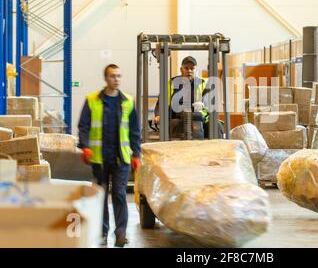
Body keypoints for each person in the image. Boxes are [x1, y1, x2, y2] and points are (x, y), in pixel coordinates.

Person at [78, 64, 141, 247]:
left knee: (120, 194)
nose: (116, 79)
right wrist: (85, 146)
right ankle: (102, 232)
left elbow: (134, 130)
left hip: (121, 158)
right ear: (106, 78)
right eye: (113, 76)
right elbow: (84, 126)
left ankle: (121, 233)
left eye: (119, 76)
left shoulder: (128, 101)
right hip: (99, 158)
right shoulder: (92, 100)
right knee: (101, 196)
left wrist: (136, 153)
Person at [154, 56, 223, 138]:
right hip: (179, 118)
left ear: (196, 69)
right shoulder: (172, 84)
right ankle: (176, 149)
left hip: (200, 117)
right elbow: (162, 102)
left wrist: (202, 108)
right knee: (173, 124)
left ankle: (216, 149)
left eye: (192, 68)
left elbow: (211, 106)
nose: (189, 71)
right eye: (186, 68)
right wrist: (159, 115)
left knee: (216, 125)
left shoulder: (205, 83)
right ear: (181, 69)